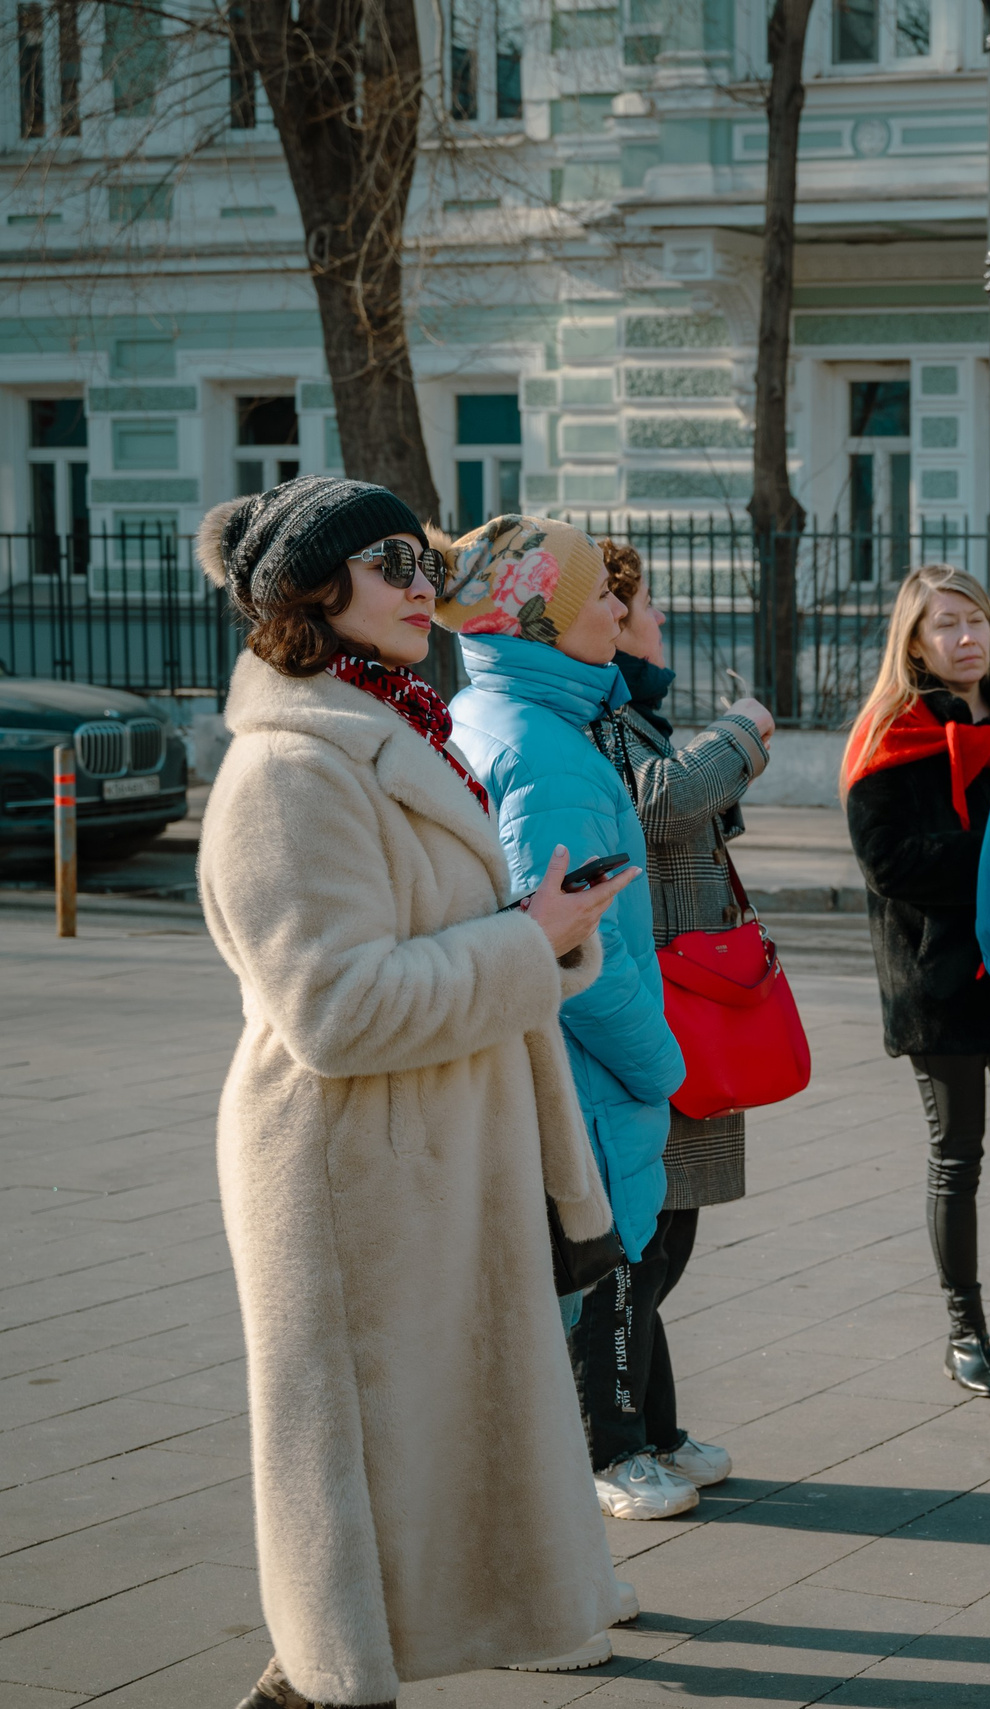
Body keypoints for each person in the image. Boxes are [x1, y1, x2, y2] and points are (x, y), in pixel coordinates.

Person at [195, 478, 639, 1706]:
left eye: (417, 556)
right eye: (385, 562)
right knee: (356, 1461)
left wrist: (541, 933)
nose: (416, 582)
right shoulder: (289, 771)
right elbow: (334, 1010)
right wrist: (525, 942)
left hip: (429, 1148)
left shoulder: (393, 721)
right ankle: (323, 1679)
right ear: (311, 592)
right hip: (347, 1167)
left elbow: (426, 945)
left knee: (423, 1452)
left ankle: (331, 1669)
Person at [444, 517, 701, 1521]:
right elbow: (573, 951)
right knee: (578, 1299)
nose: (618, 607)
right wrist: (661, 1062)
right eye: (598, 592)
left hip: (560, 1072)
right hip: (588, 1082)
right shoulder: (547, 753)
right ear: (537, 615)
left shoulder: (508, 715)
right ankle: (548, 1539)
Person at [566, 537, 773, 1496]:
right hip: (657, 997)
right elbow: (652, 805)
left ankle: (655, 1425)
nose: (654, 623)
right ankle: (607, 1444)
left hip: (689, 991)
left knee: (665, 1231)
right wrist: (736, 736)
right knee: (642, 1242)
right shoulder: (599, 718)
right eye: (641, 606)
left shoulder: (629, 713)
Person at [842, 564, 990, 1399]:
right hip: (937, 979)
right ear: (916, 642)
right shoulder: (889, 733)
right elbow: (890, 863)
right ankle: (965, 1331)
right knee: (957, 1159)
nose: (966, 637)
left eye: (975, 620)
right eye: (946, 625)